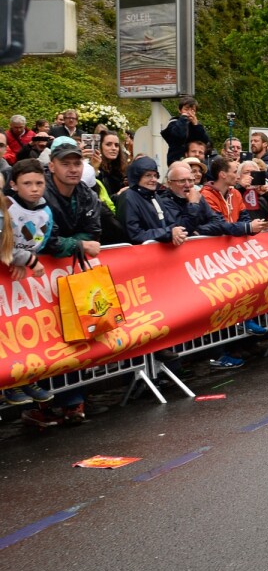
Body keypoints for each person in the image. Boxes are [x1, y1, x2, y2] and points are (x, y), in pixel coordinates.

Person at [24, 137, 104, 427]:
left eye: (77, 163)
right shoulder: (39, 192)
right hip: (35, 279)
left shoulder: (86, 193)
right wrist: (78, 245)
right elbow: (45, 239)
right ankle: (42, 405)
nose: (72, 169)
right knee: (41, 338)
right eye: (65, 163)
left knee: (73, 336)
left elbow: (94, 232)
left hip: (70, 276)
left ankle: (73, 400)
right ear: (52, 166)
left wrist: (74, 244)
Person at [2, 159, 55, 407]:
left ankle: (24, 377)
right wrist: (28, 260)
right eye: (27, 183)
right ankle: (10, 382)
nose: (34, 188)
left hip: (18, 276)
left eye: (39, 183)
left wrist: (24, 260)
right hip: (12, 271)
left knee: (20, 330)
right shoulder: (5, 207)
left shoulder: (45, 209)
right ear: (13, 184)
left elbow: (39, 239)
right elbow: (3, 243)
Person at [116, 158, 186, 246]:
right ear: (137, 177)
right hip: (139, 255)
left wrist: (175, 232)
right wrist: (168, 233)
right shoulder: (128, 197)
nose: (154, 179)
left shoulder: (155, 196)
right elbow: (134, 234)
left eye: (155, 175)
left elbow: (170, 223)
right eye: (148, 175)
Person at [201, 156, 268, 237]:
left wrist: (256, 227)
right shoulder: (206, 195)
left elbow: (245, 219)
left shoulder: (235, 193)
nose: (238, 176)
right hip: (212, 246)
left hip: (232, 245)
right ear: (223, 174)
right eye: (235, 172)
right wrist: (248, 227)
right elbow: (219, 225)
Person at [160, 97, 210, 164]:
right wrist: (183, 119)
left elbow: (205, 141)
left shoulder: (196, 125)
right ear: (180, 110)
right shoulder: (174, 123)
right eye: (186, 109)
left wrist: (196, 125)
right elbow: (179, 136)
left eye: (192, 110)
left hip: (194, 160)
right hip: (177, 159)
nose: (189, 113)